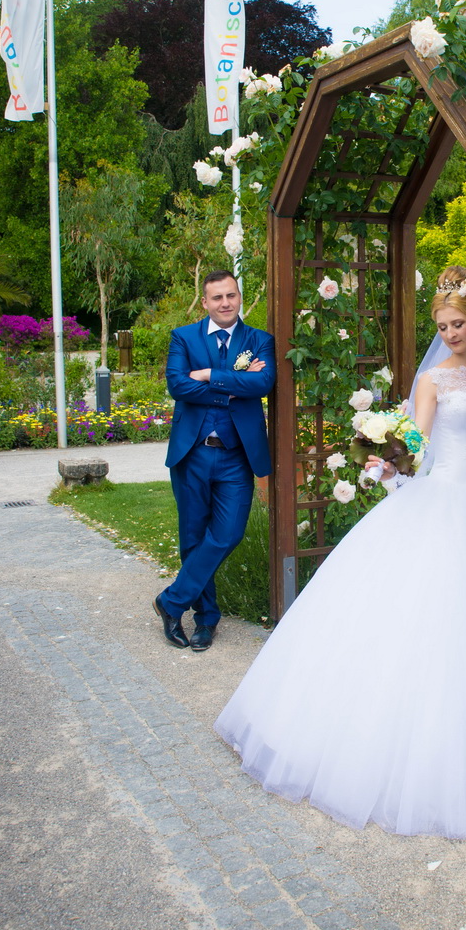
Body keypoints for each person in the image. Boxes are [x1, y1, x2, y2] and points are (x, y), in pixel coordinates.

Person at [214, 267, 466, 839]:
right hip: (447, 499)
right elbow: (418, 443)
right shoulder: (433, 381)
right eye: (443, 326)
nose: (450, 334)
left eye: (459, 324)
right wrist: (390, 459)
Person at [154, 270, 276, 652]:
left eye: (231, 295)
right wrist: (229, 388)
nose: (225, 303)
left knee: (228, 533)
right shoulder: (184, 337)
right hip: (192, 454)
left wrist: (208, 376)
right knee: (192, 538)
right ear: (204, 302)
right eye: (217, 297)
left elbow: (263, 383)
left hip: (236, 456)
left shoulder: (259, 341)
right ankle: (205, 620)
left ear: (240, 297)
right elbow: (178, 384)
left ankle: (171, 601)